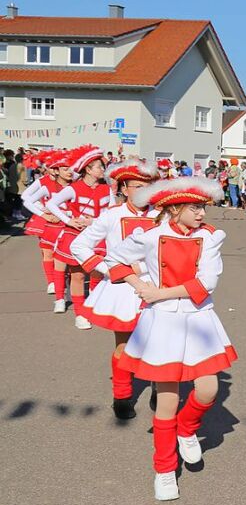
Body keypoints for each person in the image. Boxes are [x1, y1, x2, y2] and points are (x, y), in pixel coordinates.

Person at [105, 177, 236, 501]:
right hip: (162, 322)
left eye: (203, 207)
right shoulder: (151, 237)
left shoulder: (210, 238)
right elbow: (114, 260)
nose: (202, 213)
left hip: (199, 320)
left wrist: (159, 291)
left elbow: (206, 283)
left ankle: (187, 429)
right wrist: (139, 285)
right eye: (195, 207)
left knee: (208, 389)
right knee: (166, 400)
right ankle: (164, 470)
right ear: (174, 209)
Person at [70, 158, 159, 420]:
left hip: (157, 288)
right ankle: (121, 395)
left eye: (148, 185)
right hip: (123, 289)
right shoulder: (112, 215)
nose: (143, 190)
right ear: (123, 188)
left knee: (158, 342)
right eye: (136, 185)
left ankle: (159, 387)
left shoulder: (161, 215)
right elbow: (80, 246)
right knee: (124, 345)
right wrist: (109, 270)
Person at [47, 146, 112, 330]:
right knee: (76, 275)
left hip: (98, 236)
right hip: (76, 236)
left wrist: (95, 221)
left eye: (102, 167)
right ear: (88, 169)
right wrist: (69, 220)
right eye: (99, 167)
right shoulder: (74, 188)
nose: (102, 170)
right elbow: (52, 203)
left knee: (97, 272)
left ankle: (92, 304)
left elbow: (112, 213)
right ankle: (79, 313)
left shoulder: (107, 190)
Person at [21, 151, 71, 294]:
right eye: (49, 166)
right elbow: (26, 196)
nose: (53, 169)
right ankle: (52, 282)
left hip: (65, 219)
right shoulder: (42, 181)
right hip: (46, 220)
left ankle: (62, 278)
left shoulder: (70, 182)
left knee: (63, 252)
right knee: (47, 252)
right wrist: (42, 209)